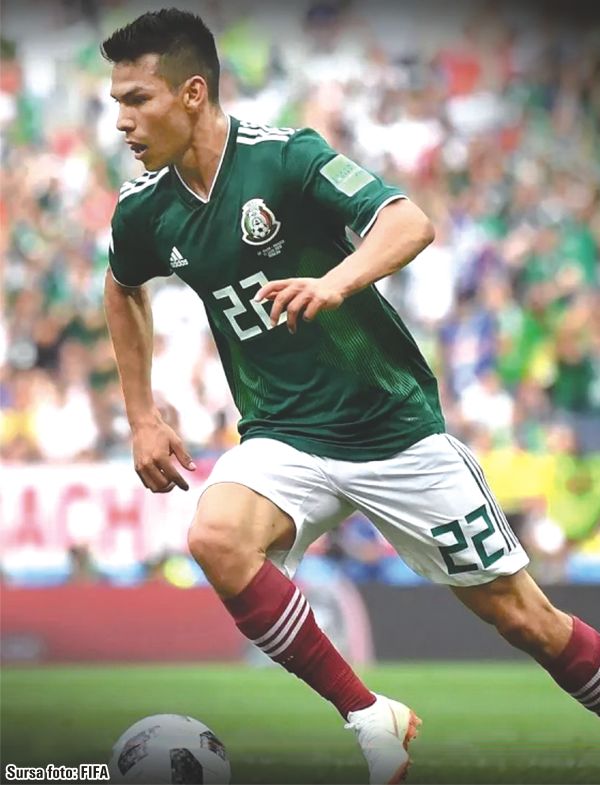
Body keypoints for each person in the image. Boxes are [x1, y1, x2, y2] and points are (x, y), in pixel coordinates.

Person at [101, 8, 599, 783]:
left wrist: (335, 282)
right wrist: (141, 414)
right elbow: (122, 286)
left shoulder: (284, 158)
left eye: (138, 99)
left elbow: (409, 221)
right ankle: (372, 717)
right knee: (216, 536)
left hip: (391, 428)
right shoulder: (144, 208)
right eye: (117, 104)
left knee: (527, 619)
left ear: (192, 93)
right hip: (283, 433)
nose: (123, 122)